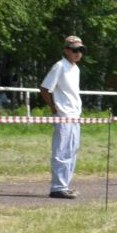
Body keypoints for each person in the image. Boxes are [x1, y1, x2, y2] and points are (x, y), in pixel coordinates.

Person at [39, 35, 84, 199]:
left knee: (72, 151)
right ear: (66, 50)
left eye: (81, 50)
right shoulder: (59, 66)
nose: (78, 53)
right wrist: (53, 108)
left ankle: (65, 185)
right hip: (63, 115)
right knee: (61, 151)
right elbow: (45, 88)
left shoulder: (75, 68)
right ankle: (57, 187)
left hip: (75, 115)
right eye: (74, 50)